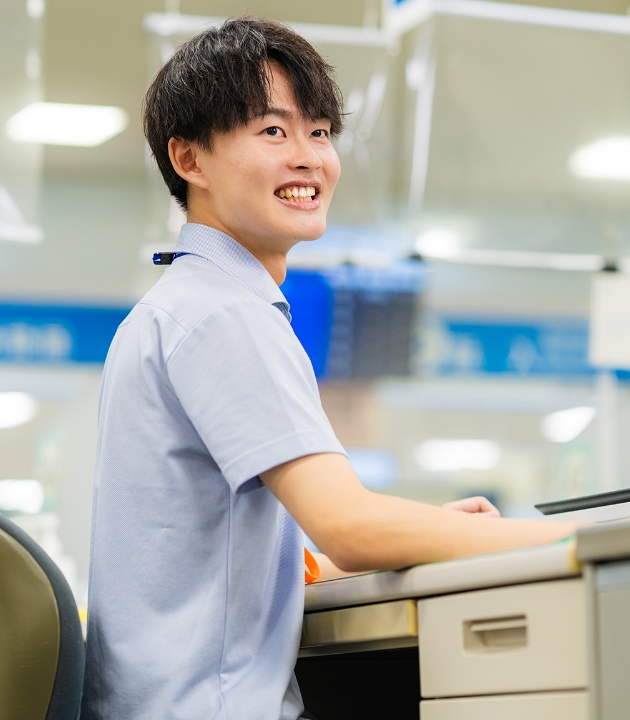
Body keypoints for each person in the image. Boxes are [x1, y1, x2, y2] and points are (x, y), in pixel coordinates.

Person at [81, 17, 582, 720]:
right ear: (189, 159)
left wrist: (421, 526)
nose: (309, 158)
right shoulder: (226, 313)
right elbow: (349, 526)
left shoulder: (177, 307)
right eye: (273, 132)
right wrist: (583, 537)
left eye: (319, 133)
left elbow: (241, 556)